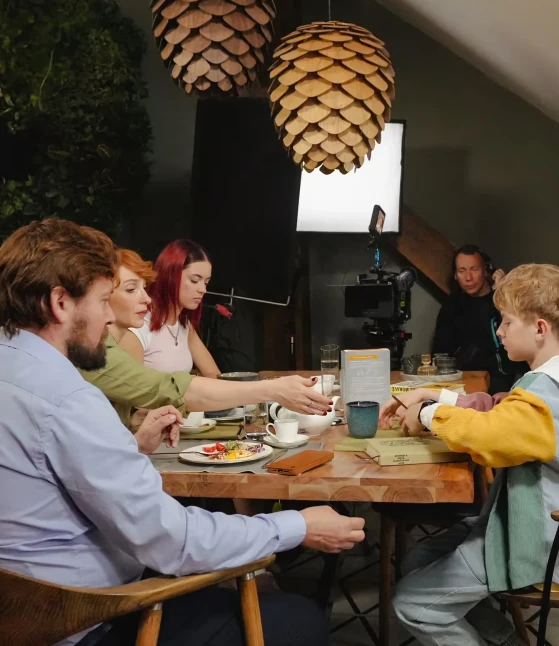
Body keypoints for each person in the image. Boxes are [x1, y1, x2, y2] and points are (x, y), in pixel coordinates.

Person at [0, 219, 365, 646]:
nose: (109, 316)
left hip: (21, 613)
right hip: (82, 620)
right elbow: (171, 541)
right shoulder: (68, 399)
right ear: (60, 303)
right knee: (301, 619)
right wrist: (297, 525)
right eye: (102, 300)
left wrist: (132, 446)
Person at [382, 264, 559, 646]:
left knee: (412, 604)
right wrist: (430, 395)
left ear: (539, 329)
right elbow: (500, 408)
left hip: (545, 544)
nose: (500, 331)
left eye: (507, 322)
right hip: (550, 529)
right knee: (416, 561)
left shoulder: (548, 397)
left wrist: (427, 414)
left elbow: (489, 434)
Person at [82, 248, 331, 427]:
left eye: (144, 288)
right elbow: (162, 390)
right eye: (130, 289)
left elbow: (135, 409)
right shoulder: (98, 348)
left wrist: (140, 434)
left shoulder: (182, 325)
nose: (146, 299)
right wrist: (273, 389)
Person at [432, 244, 524, 392]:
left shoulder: (501, 301)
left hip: (502, 382)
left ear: (486, 270)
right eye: (462, 271)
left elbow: (517, 340)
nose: (468, 278)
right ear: (455, 275)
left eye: (474, 269)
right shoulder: (452, 305)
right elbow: (440, 350)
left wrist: (502, 292)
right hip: (462, 380)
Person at [120, 239, 218, 376]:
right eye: (194, 280)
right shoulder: (139, 325)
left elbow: (213, 374)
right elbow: (134, 386)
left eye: (206, 282)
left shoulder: (184, 326)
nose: (203, 289)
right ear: (170, 276)